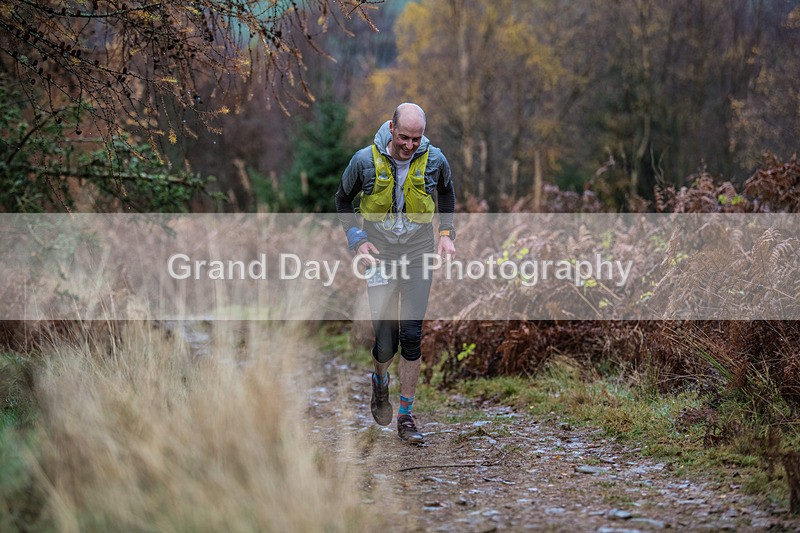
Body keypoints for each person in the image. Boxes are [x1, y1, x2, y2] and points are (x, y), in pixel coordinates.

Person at [335, 103, 456, 444]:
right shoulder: (363, 160)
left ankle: (406, 416)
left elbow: (446, 192)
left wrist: (446, 235)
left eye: (416, 138)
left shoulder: (434, 159)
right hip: (380, 254)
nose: (409, 145)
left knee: (412, 335)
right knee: (385, 342)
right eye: (404, 137)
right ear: (391, 128)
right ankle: (379, 380)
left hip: (418, 251)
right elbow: (343, 199)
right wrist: (356, 240)